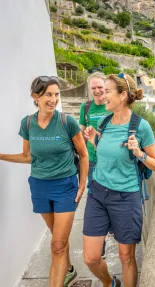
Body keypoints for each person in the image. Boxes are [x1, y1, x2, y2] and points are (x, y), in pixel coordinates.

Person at [0, 76, 89, 287]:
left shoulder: (67, 122)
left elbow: (83, 154)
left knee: (57, 245)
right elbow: (28, 156)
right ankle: (68, 270)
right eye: (48, 94)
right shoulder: (28, 123)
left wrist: (82, 183)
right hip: (39, 187)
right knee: (57, 238)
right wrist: (1, 155)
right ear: (35, 97)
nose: (54, 99)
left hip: (65, 187)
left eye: (56, 94)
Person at [83, 74, 155, 287]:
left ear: (123, 95)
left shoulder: (141, 126)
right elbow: (108, 154)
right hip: (98, 194)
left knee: (126, 256)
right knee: (90, 257)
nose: (102, 95)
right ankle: (109, 283)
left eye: (108, 91)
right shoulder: (104, 121)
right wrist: (93, 140)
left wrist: (138, 153)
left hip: (126, 197)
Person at [79, 72, 112, 259]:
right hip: (93, 162)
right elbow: (81, 132)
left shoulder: (112, 105)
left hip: (111, 162)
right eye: (94, 88)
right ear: (90, 90)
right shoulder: (86, 107)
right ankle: (101, 243)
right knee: (96, 200)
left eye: (100, 87)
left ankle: (113, 227)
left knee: (113, 197)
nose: (98, 91)